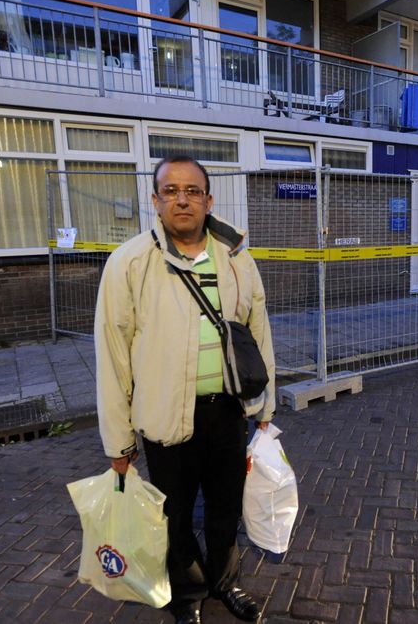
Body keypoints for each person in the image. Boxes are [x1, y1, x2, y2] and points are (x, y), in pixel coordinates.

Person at [94, 155, 276, 624]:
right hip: (163, 415)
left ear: (208, 200)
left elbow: (258, 332)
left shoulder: (236, 258)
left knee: (224, 509)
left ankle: (225, 581)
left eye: (192, 191)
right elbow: (113, 358)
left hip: (227, 412)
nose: (182, 199)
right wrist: (119, 442)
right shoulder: (129, 263)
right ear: (155, 201)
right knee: (173, 517)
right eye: (171, 190)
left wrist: (264, 408)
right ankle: (188, 596)